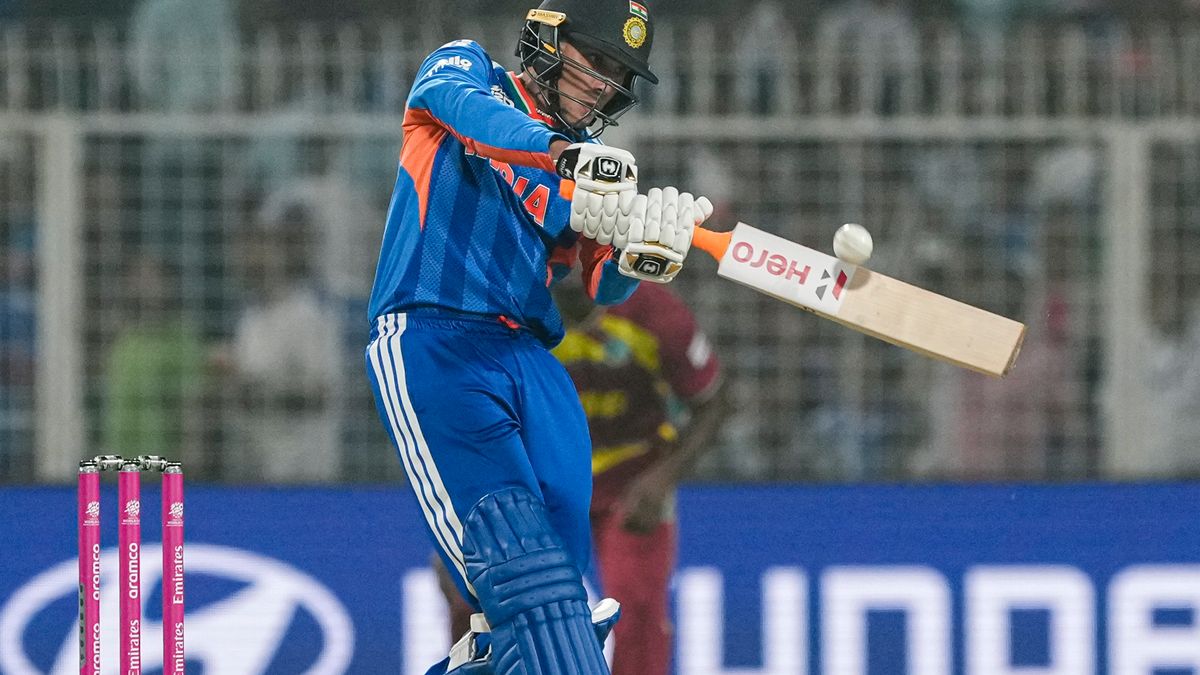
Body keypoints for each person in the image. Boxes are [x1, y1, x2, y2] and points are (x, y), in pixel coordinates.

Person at [362, 1, 713, 672]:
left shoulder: (598, 169)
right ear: (548, 40)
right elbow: (461, 109)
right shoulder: (468, 69)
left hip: (530, 355)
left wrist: (640, 252)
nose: (604, 84)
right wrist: (562, 158)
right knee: (521, 569)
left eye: (618, 75)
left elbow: (601, 285)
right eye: (596, 60)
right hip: (434, 338)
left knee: (557, 586)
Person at [436, 276, 729, 674]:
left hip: (631, 481)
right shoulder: (507, 313)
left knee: (637, 607)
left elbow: (712, 402)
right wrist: (456, 521)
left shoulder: (653, 311)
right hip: (535, 484)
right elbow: (467, 417)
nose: (572, 260)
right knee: (472, 595)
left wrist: (662, 478)